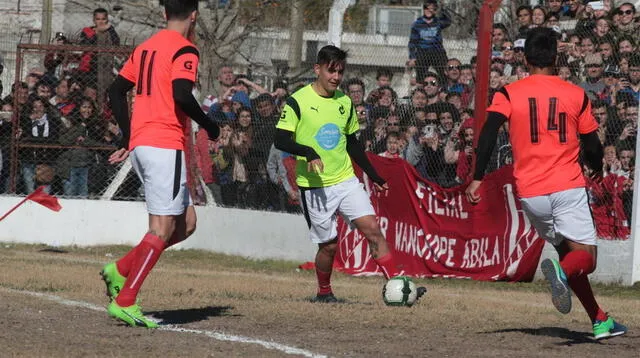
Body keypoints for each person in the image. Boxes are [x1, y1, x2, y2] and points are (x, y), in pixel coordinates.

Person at [465, 27, 627, 340]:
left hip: (531, 193)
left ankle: (600, 320)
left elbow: (487, 135)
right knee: (586, 260)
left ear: (525, 59)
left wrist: (476, 178)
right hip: (566, 185)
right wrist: (595, 166)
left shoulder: (509, 93)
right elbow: (591, 143)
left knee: (568, 253)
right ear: (555, 57)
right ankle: (563, 275)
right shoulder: (575, 93)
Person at [274, 45, 426, 303]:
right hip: (315, 186)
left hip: (345, 180)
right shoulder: (298, 101)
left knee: (373, 230)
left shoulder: (344, 102)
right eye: (331, 71)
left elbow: (352, 143)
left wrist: (374, 175)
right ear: (317, 69)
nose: (335, 77)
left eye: (340, 72)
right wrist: (308, 152)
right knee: (329, 245)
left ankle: (397, 287)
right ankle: (324, 292)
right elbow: (281, 139)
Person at [102, 0, 220, 328]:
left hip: (145, 144)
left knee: (187, 224)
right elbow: (181, 94)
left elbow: (115, 91)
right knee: (163, 228)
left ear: (165, 13)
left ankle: (121, 269)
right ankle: (126, 299)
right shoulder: (186, 49)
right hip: (163, 145)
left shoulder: (146, 48)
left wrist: (129, 136)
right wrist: (210, 125)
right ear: (194, 15)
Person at [407, 0, 451, 82]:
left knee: (444, 73)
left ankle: (444, 89)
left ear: (435, 10)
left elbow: (448, 21)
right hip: (423, 52)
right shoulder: (417, 24)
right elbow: (412, 42)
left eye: (432, 9)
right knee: (420, 76)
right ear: (423, 9)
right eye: (427, 8)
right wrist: (412, 57)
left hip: (437, 51)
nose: (429, 10)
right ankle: (421, 90)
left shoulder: (438, 22)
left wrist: (443, 7)